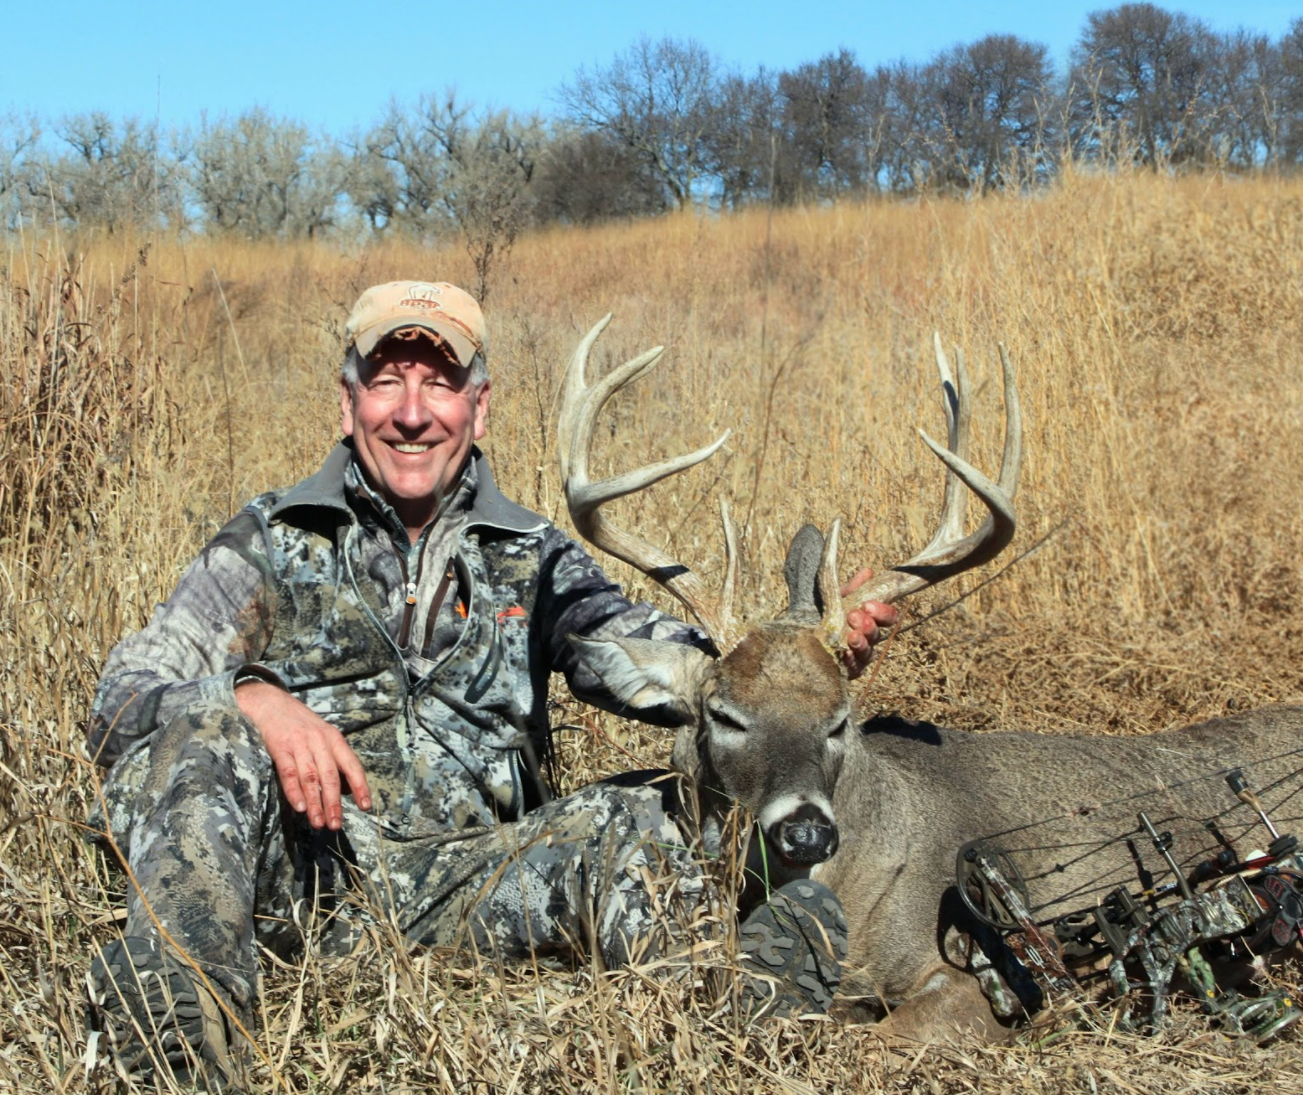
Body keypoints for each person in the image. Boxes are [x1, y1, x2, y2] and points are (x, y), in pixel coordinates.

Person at [84, 281, 896, 1088]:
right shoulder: (271, 539)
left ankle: (746, 1005)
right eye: (386, 380)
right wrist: (254, 699)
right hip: (299, 872)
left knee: (634, 814)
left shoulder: (534, 557)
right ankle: (180, 1039)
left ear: (479, 408)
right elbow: (126, 691)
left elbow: (650, 654)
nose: (412, 412)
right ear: (348, 402)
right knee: (206, 728)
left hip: (476, 879)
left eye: (439, 382)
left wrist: (793, 662)